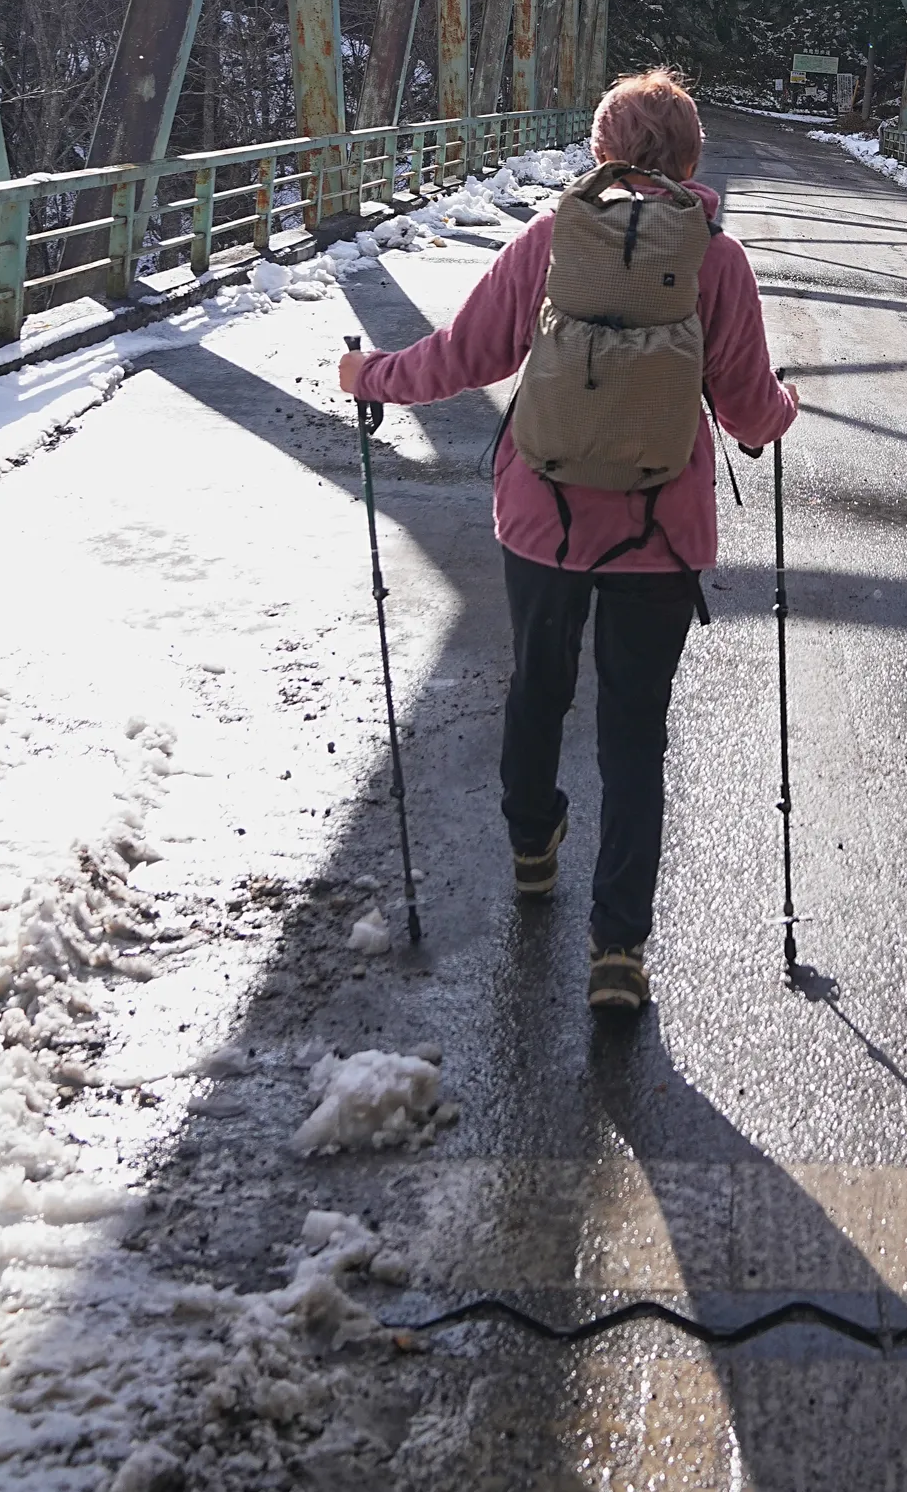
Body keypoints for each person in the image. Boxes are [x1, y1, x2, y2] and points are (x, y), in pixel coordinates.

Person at [339, 68, 796, 1014]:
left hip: (542, 523)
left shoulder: (550, 241)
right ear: (689, 158)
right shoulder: (716, 260)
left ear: (601, 150)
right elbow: (751, 409)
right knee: (634, 732)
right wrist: (782, 408)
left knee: (537, 686)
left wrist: (369, 374)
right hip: (661, 536)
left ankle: (530, 842)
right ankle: (618, 949)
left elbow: (461, 358)